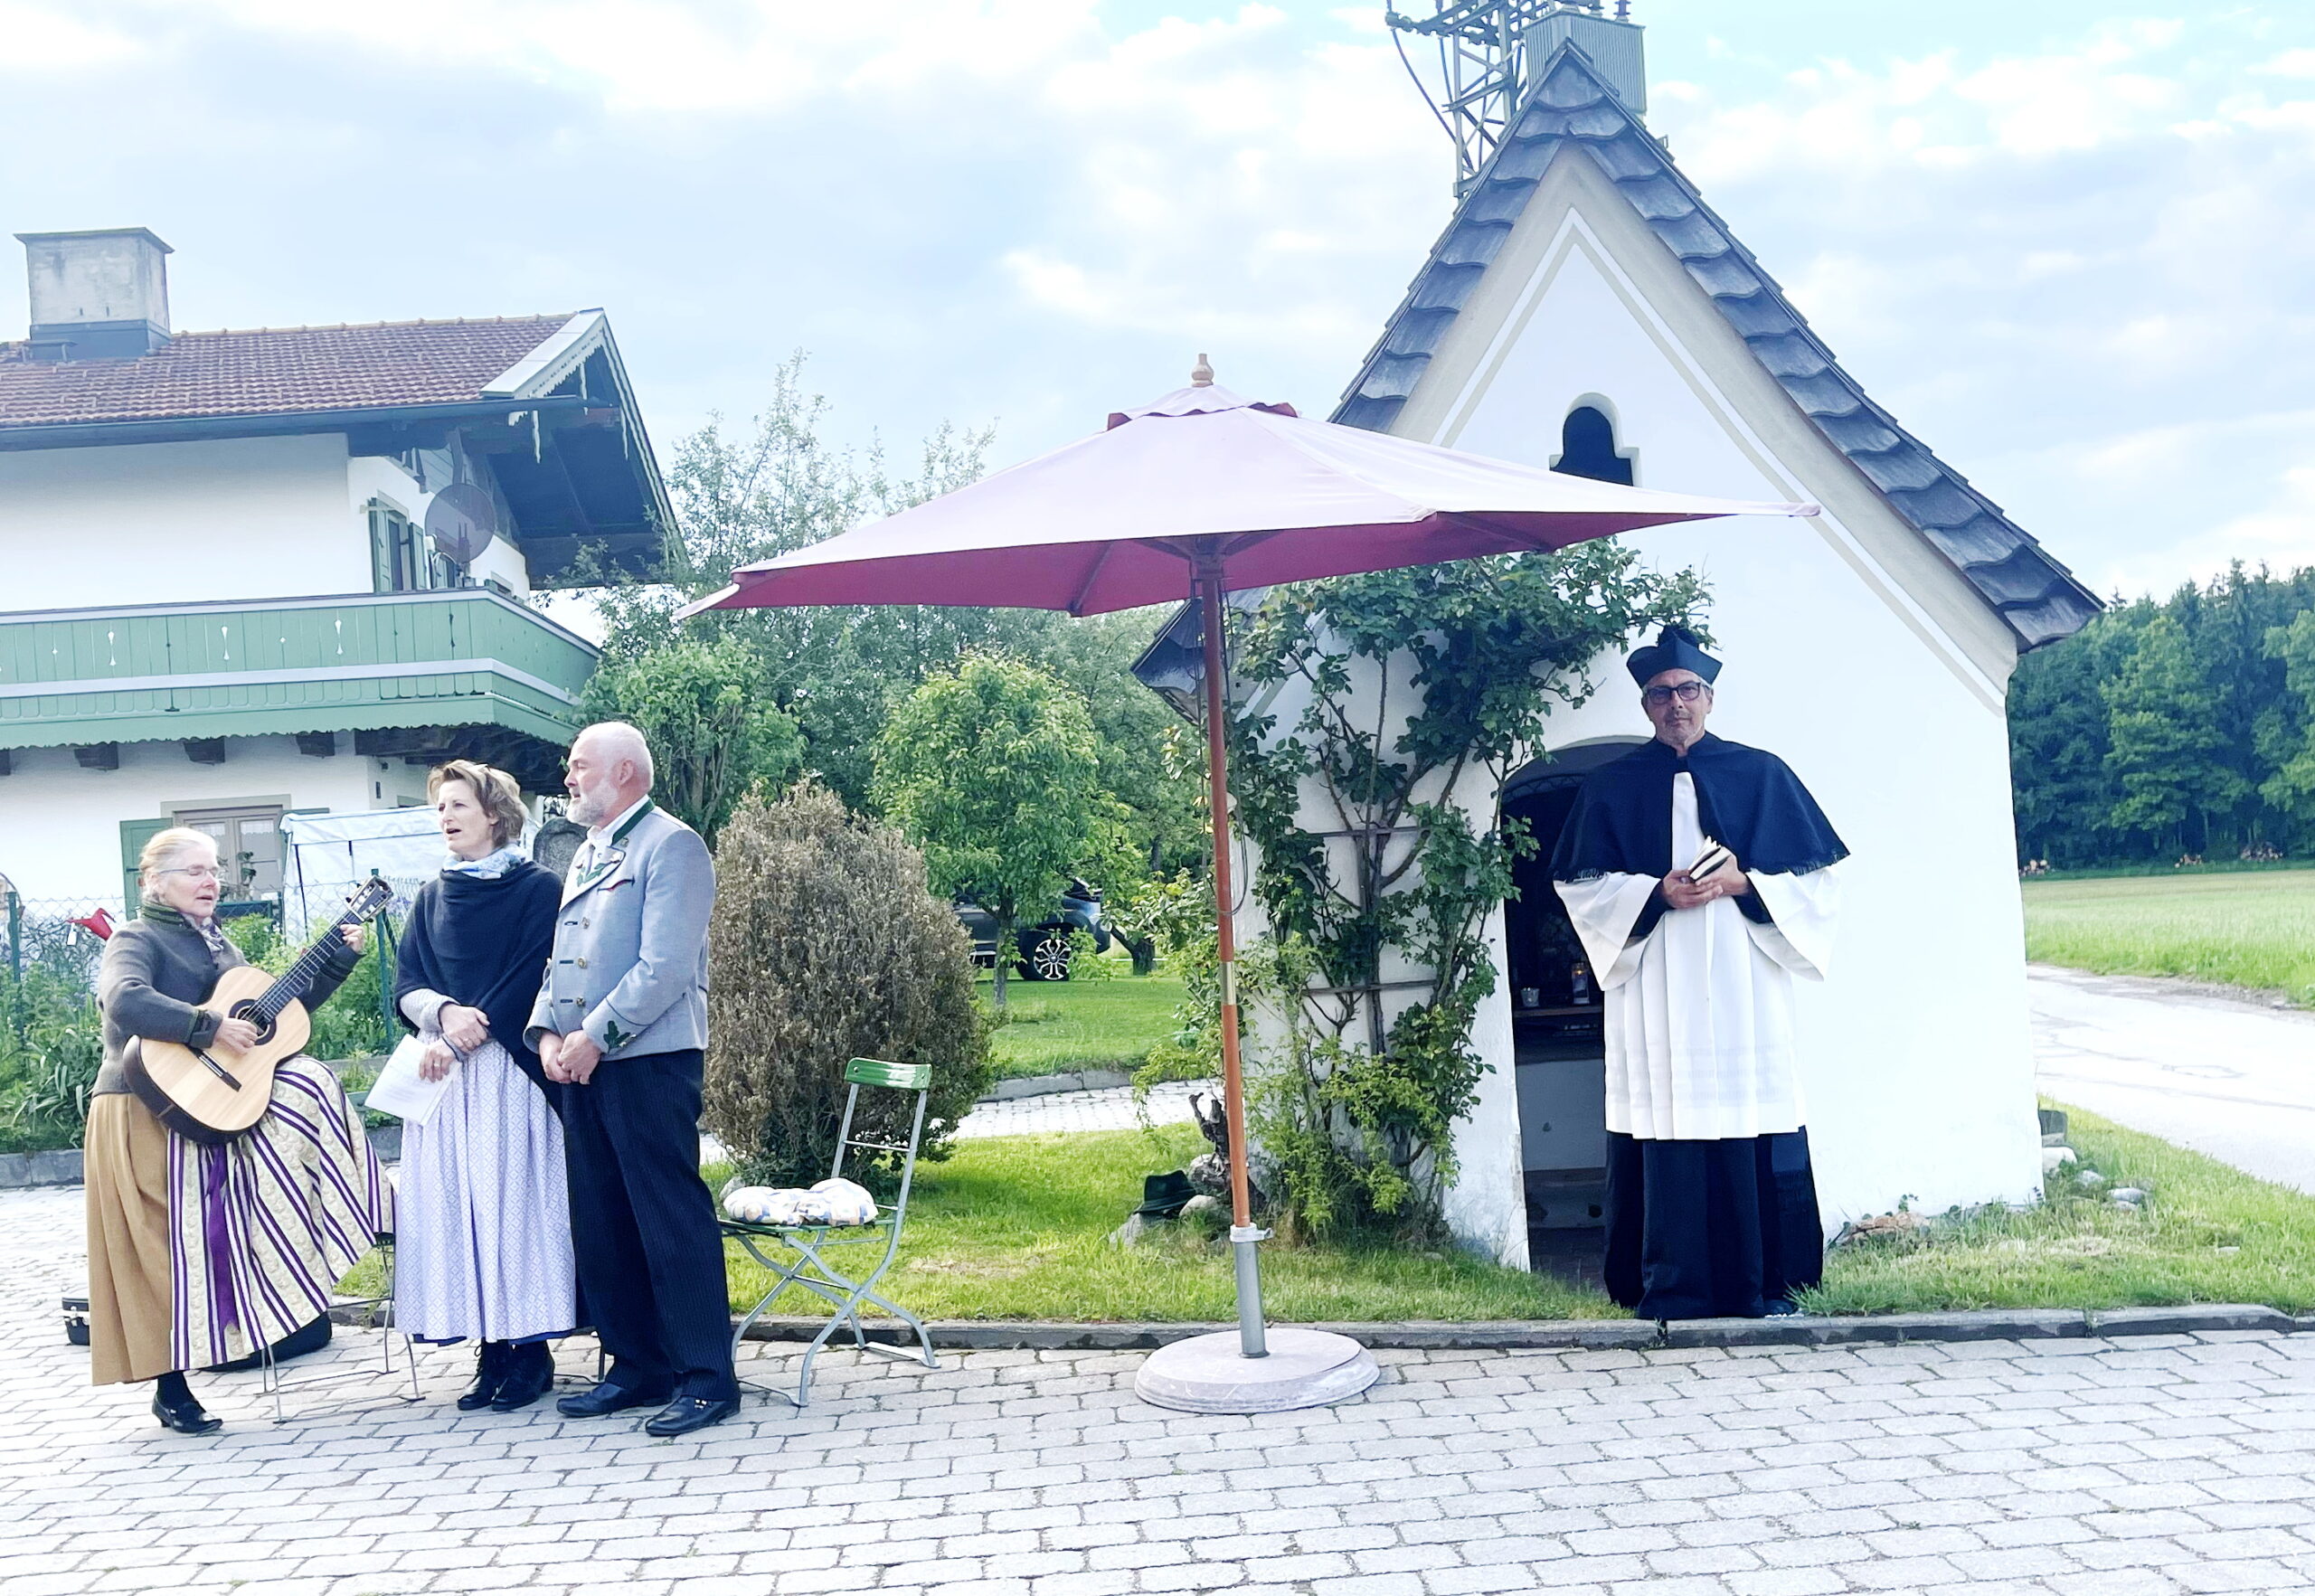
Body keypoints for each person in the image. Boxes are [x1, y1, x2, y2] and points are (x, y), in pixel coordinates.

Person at [1550, 626, 1847, 1320]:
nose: (1675, 703)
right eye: (1661, 694)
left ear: (1709, 697)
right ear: (1646, 705)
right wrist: (1655, 892)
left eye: (1687, 690)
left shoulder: (1762, 774)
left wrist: (1746, 882)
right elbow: (1579, 886)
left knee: (1751, 1115)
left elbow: (1819, 883)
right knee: (1667, 1116)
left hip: (1744, 978)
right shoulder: (1611, 786)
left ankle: (1765, 1285)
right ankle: (1672, 1286)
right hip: (1657, 981)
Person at [85, 827, 388, 1434]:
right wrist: (207, 1025)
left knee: (204, 1247)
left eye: (214, 870)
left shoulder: (219, 944)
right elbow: (124, 1000)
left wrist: (340, 959)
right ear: (154, 882)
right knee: (157, 1251)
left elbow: (269, 1021)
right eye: (195, 870)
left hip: (204, 1110)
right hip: (138, 1107)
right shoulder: (135, 937)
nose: (210, 881)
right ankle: (171, 1389)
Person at [528, 722, 737, 1437]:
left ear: (624, 771)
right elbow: (560, 959)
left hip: (648, 1061)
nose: (569, 778)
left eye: (580, 766)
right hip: (580, 1062)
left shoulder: (672, 844)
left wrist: (596, 1036)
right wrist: (547, 1033)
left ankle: (706, 1377)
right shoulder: (590, 850)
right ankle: (637, 1365)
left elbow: (666, 966)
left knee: (668, 1218)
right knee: (603, 1220)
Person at [392, 760, 574, 1412]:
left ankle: (531, 1352)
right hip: (444, 1082)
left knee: (513, 1209)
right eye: (440, 807)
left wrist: (466, 1031)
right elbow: (406, 981)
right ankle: (490, 1350)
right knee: (462, 1212)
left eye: (458, 805)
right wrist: (442, 1014)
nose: (445, 817)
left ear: (494, 814)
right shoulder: (430, 896)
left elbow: (534, 974)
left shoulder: (538, 889)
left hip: (507, 1073)